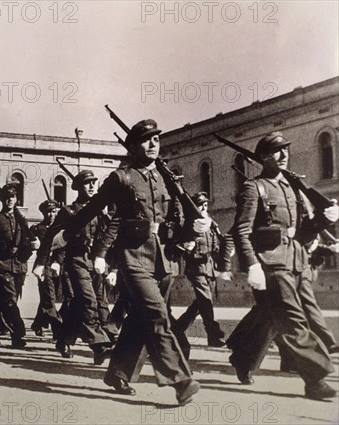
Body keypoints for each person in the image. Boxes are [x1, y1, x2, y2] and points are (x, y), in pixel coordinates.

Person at [49, 119, 200, 405]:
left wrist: (193, 231)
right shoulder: (121, 178)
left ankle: (118, 372)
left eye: (157, 138)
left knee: (142, 318)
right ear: (131, 147)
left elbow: (176, 218)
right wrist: (66, 235)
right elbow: (93, 209)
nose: (154, 143)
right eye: (146, 139)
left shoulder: (164, 176)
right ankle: (180, 379)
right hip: (134, 256)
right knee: (157, 314)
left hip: (163, 258)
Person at [227, 131, 337, 400]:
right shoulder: (254, 188)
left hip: (296, 261)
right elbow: (240, 231)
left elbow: (305, 231)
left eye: (286, 149)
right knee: (293, 319)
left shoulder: (292, 188)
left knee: (268, 316)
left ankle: (242, 355)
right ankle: (315, 379)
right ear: (264, 157)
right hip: (271, 263)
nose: (284, 155)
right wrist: (251, 264)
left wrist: (326, 219)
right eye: (277, 151)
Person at [35, 170, 116, 362]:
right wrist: (41, 263)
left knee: (84, 304)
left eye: (94, 182)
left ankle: (64, 338)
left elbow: (108, 237)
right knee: (89, 301)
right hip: (76, 260)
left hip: (94, 260)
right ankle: (99, 345)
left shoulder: (99, 210)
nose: (91, 186)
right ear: (78, 187)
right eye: (87, 183)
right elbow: (49, 236)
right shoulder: (68, 212)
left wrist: (111, 265)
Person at [0, 183, 39, 348]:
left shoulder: (21, 220)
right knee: (10, 300)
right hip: (2, 265)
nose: (9, 200)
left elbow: (28, 241)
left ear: (16, 199)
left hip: (19, 266)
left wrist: (32, 246)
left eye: (12, 197)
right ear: (2, 200)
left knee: (5, 301)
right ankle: (17, 335)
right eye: (6, 198)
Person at [175, 192, 226, 348]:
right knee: (205, 300)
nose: (204, 207)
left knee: (200, 304)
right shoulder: (191, 224)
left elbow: (216, 244)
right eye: (200, 204)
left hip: (209, 268)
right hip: (196, 267)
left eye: (206, 204)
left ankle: (176, 330)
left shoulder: (210, 224)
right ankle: (214, 335)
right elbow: (182, 243)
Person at [30, 200, 63, 339]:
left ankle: (38, 323)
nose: (51, 214)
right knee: (49, 297)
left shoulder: (61, 229)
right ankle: (57, 330)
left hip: (58, 266)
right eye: (48, 212)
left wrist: (58, 262)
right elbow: (26, 243)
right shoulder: (37, 229)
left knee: (49, 296)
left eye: (54, 211)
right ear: (43, 213)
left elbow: (63, 248)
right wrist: (32, 244)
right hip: (43, 267)